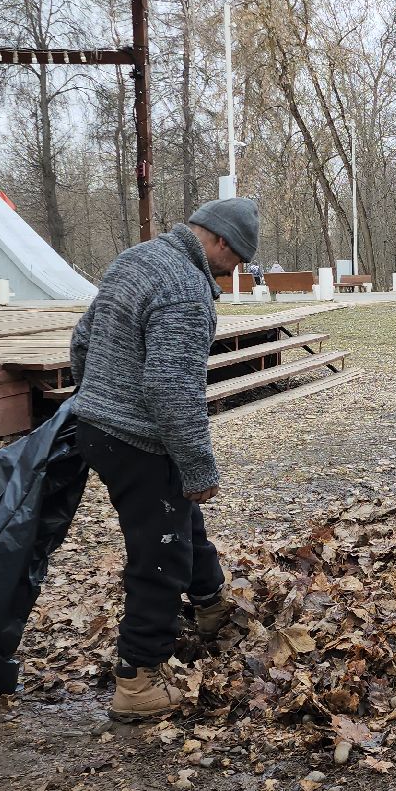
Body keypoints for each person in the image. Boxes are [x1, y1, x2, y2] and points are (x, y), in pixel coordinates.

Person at [68, 197, 258, 721]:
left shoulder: (135, 259)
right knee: (160, 551)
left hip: (96, 427)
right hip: (138, 440)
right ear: (219, 241)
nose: (236, 269)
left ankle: (212, 603)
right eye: (237, 257)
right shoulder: (187, 290)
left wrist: (95, 397)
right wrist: (199, 466)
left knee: (176, 516)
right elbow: (172, 389)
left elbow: (82, 340)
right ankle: (138, 680)